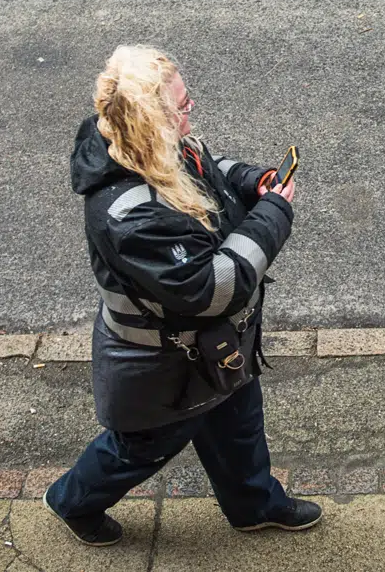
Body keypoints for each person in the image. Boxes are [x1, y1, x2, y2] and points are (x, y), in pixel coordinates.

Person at [46, 45, 321, 546]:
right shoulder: (132, 215)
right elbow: (214, 288)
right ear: (153, 119)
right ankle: (71, 501)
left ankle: (255, 505)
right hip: (160, 366)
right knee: (139, 449)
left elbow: (208, 165)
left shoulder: (146, 144)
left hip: (208, 349)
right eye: (183, 104)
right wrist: (274, 213)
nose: (191, 109)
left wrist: (251, 181)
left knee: (239, 426)